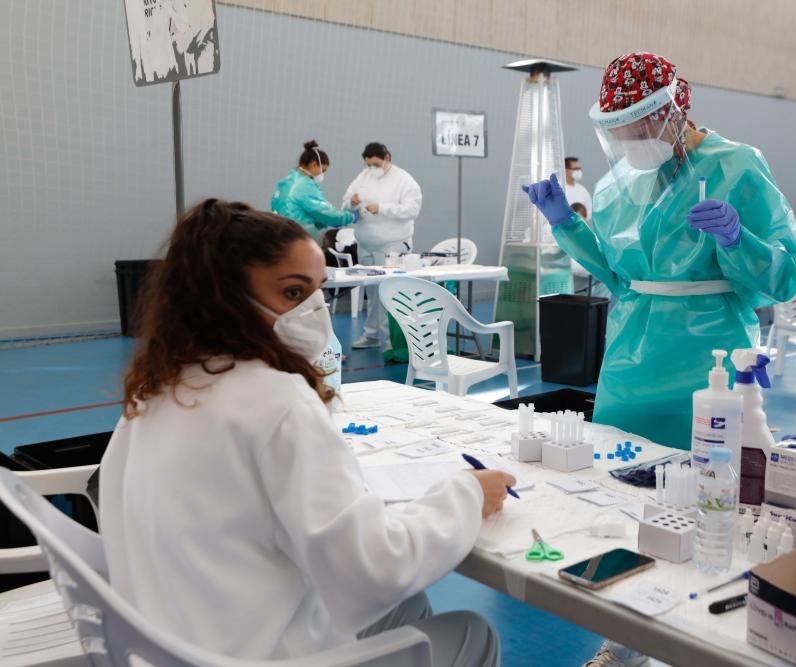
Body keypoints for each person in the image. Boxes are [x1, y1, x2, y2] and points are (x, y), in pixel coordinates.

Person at [99, 199, 507, 665]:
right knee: (471, 632)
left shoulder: (158, 387)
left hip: (177, 638)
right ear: (223, 296)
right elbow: (374, 569)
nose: (314, 311)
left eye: (318, 291)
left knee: (406, 606)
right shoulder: (276, 399)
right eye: (293, 293)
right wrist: (466, 496)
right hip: (256, 651)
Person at [523, 51, 796, 454]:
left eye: (637, 134)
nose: (631, 147)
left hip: (710, 356)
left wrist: (739, 240)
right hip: (630, 360)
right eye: (621, 136)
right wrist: (565, 223)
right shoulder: (625, 182)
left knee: (707, 470)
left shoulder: (737, 166)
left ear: (670, 112)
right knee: (612, 465)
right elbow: (620, 277)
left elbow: (787, 275)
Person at [342, 142, 423, 349]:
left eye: (376, 164)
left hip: (392, 246)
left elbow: (412, 210)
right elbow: (345, 202)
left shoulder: (404, 181)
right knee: (373, 292)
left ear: (388, 157)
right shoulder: (363, 177)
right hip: (366, 244)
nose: (372, 169)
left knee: (391, 293)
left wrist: (383, 209)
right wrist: (351, 202)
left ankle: (392, 341)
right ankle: (372, 335)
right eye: (369, 165)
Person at [272, 140, 359, 241]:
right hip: (298, 239)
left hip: (280, 235)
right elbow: (326, 213)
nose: (322, 174)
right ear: (313, 165)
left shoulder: (287, 181)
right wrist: (351, 217)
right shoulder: (305, 186)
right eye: (323, 170)